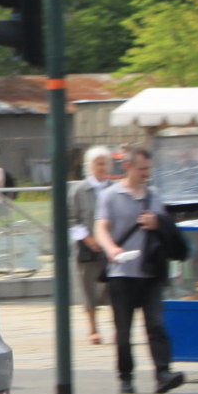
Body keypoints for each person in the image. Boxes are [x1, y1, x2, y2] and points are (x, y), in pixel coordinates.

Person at [88, 145, 186, 394]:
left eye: (149, 169)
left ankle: (163, 373)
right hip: (121, 273)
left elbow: (166, 229)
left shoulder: (153, 195)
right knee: (124, 329)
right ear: (127, 166)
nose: (146, 173)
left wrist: (157, 223)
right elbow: (101, 227)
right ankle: (126, 377)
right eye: (142, 168)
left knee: (156, 324)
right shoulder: (110, 196)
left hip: (150, 270)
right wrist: (110, 249)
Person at [66, 146, 118, 346]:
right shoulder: (79, 190)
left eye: (105, 163)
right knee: (88, 288)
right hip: (86, 249)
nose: (102, 167)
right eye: (98, 163)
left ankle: (116, 328)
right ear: (89, 166)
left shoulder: (114, 189)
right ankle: (93, 329)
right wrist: (87, 238)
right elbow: (71, 219)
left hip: (111, 247)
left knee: (114, 289)